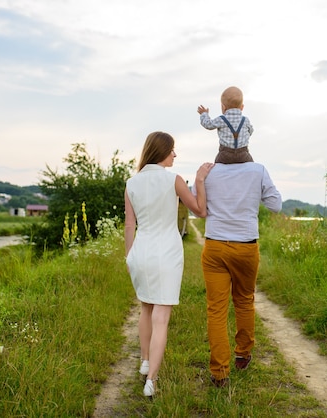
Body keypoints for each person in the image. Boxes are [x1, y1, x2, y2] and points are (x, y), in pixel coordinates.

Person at [124, 131, 214, 397]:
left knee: (145, 308)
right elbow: (200, 210)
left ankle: (144, 362)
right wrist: (199, 180)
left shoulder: (131, 183)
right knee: (161, 317)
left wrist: (129, 256)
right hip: (167, 252)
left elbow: (131, 225)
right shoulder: (173, 180)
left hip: (140, 252)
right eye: (173, 149)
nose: (175, 154)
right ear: (161, 151)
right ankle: (151, 380)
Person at [195, 162, 282, 387]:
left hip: (215, 246)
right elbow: (276, 205)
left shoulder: (209, 170)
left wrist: (201, 180)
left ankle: (220, 372)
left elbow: (196, 203)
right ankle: (243, 354)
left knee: (216, 309)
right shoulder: (258, 170)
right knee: (244, 300)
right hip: (246, 246)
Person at [197, 86, 255, 164]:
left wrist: (204, 114)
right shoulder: (245, 120)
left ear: (223, 107)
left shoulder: (221, 119)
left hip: (225, 155)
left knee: (217, 165)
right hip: (243, 154)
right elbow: (250, 131)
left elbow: (208, 124)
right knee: (251, 165)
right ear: (242, 107)